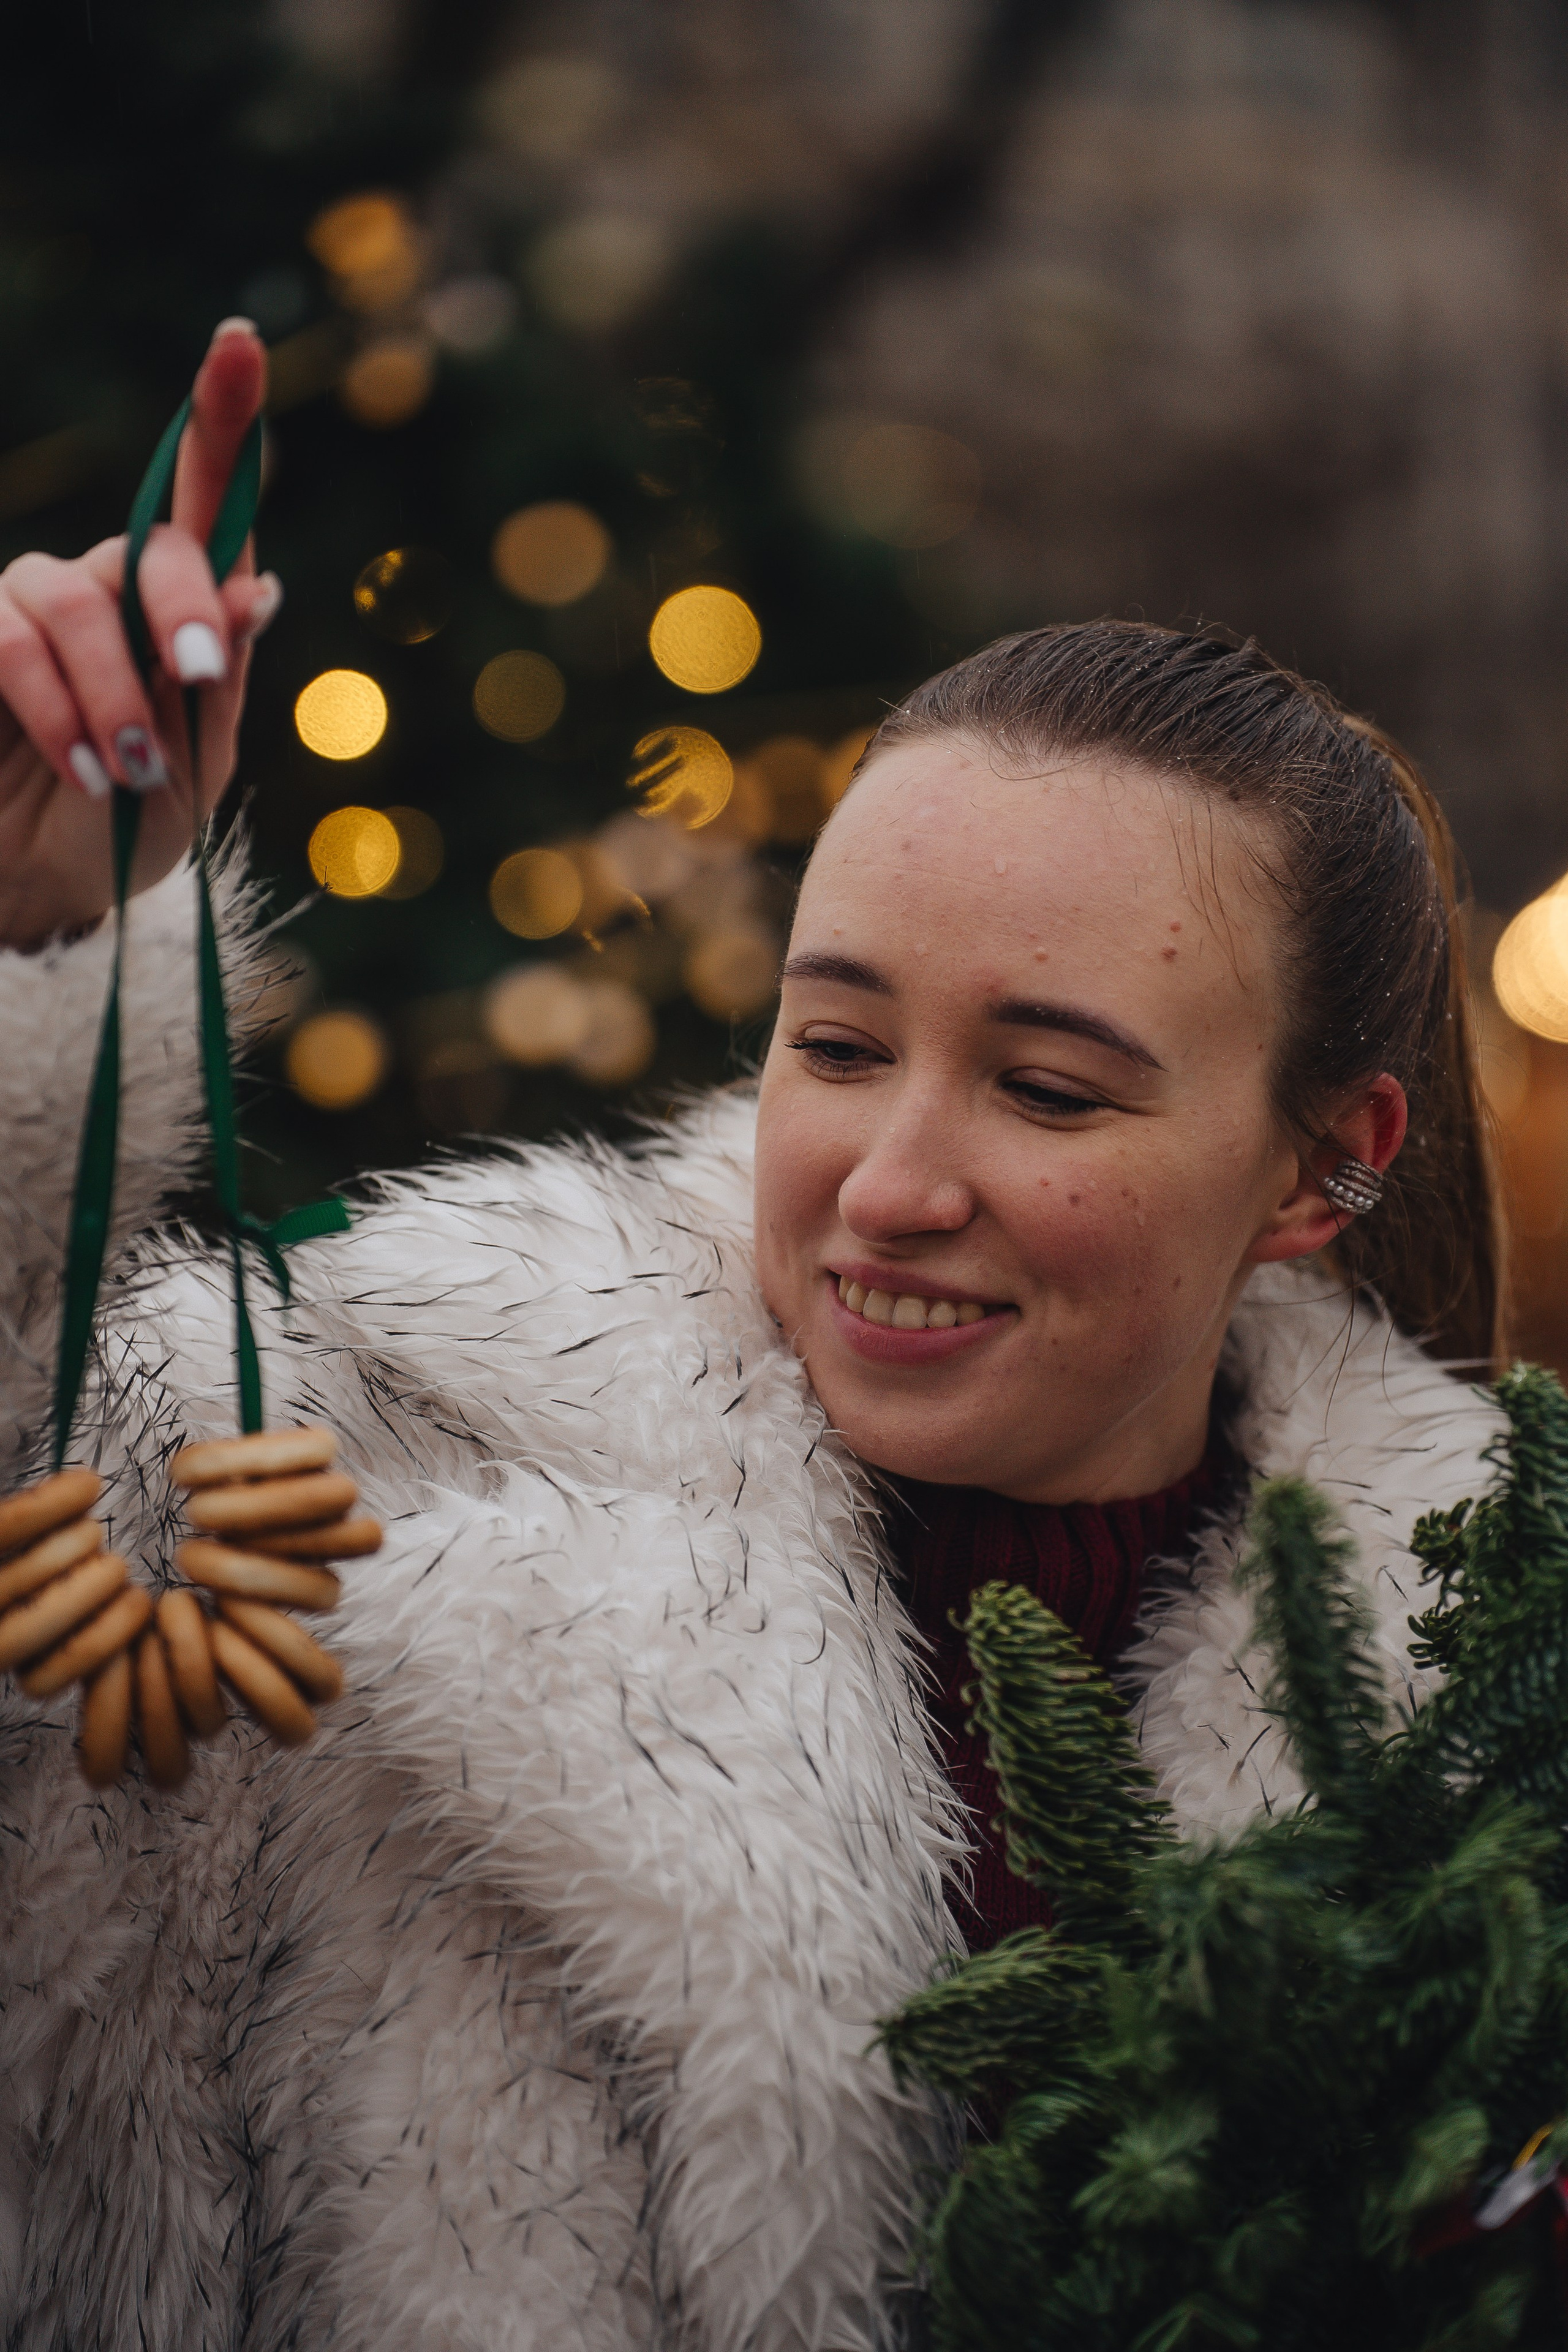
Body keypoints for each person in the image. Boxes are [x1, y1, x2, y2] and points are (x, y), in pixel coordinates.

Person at [0, 323, 1506, 2351]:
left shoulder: (1492, 1712)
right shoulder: (326, 1491)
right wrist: (32, 939)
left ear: (1325, 1166)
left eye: (1049, 1091)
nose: (889, 1180)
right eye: (839, 1042)